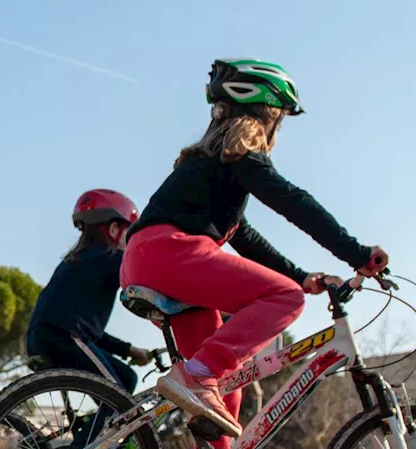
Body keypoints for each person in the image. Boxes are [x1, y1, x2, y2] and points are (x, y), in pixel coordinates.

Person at [121, 58, 388, 447]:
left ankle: (201, 388)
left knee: (227, 385)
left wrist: (302, 275)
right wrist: (357, 253)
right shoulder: (241, 155)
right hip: (169, 254)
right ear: (267, 115)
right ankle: (195, 375)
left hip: (149, 261)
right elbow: (294, 202)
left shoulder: (213, 164)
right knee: (284, 298)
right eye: (279, 119)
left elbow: (244, 237)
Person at [26, 189, 153, 395]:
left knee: (127, 378)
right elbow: (152, 280)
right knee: (115, 397)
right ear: (113, 229)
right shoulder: (111, 260)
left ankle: (93, 427)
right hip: (65, 338)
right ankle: (99, 426)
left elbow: (87, 329)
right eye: (128, 234)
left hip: (44, 338)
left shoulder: (78, 261)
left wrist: (128, 350)